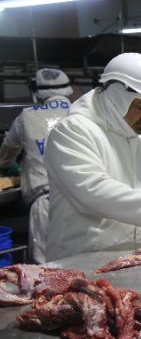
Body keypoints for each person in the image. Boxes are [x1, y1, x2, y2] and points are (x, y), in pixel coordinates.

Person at [44, 52, 141, 262]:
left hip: (133, 263)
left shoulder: (140, 143)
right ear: (116, 96)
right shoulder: (73, 131)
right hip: (81, 264)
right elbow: (92, 191)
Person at [0, 68, 74, 263]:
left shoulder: (27, 117)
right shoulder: (82, 113)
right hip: (83, 201)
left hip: (46, 203)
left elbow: (6, 155)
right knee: (83, 262)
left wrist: (10, 166)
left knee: (45, 269)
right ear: (68, 89)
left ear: (36, 93)